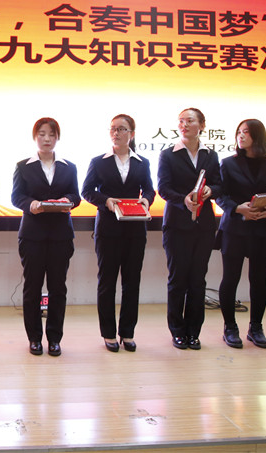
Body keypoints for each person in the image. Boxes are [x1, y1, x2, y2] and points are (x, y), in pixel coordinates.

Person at [82, 114, 155, 353]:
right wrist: (106, 201)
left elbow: (150, 190)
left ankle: (128, 332)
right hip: (108, 229)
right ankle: (108, 333)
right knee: (107, 282)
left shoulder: (142, 162)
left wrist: (146, 200)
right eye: (113, 128)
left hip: (135, 229)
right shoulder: (99, 162)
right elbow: (87, 191)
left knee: (132, 282)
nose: (116, 133)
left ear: (131, 134)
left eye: (122, 129)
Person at [215, 119, 266, 349]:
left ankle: (256, 327)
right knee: (230, 279)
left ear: (257, 135)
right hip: (235, 228)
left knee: (258, 280)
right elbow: (220, 195)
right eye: (239, 131)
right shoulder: (228, 163)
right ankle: (230, 327)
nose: (241, 135)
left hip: (262, 229)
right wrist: (238, 208)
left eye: (246, 132)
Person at [12, 118, 80, 357]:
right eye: (42, 134)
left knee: (57, 288)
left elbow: (76, 196)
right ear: (35, 137)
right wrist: (31, 204)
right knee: (32, 287)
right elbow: (16, 197)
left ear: (57, 137)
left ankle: (54, 338)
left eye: (51, 134)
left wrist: (67, 201)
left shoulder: (69, 167)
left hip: (61, 235)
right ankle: (34, 338)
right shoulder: (23, 166)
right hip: (32, 235)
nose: (47, 139)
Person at [157, 107, 222, 350]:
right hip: (176, 225)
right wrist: (182, 200)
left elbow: (220, 185)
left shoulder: (211, 155)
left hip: (204, 226)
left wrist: (211, 190)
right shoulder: (168, 155)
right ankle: (177, 331)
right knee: (178, 280)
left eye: (190, 121)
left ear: (201, 125)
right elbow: (163, 188)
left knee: (197, 280)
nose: (183, 125)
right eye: (181, 121)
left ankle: (194, 332)